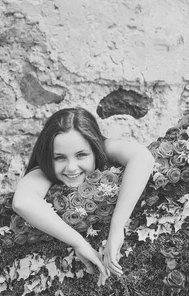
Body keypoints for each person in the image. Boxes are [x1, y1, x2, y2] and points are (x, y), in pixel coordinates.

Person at [12, 108, 155, 286]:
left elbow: (143, 157)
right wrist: (80, 243)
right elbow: (22, 202)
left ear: (94, 150)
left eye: (81, 155)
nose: (71, 167)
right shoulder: (44, 171)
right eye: (59, 158)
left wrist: (117, 227)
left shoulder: (103, 149)